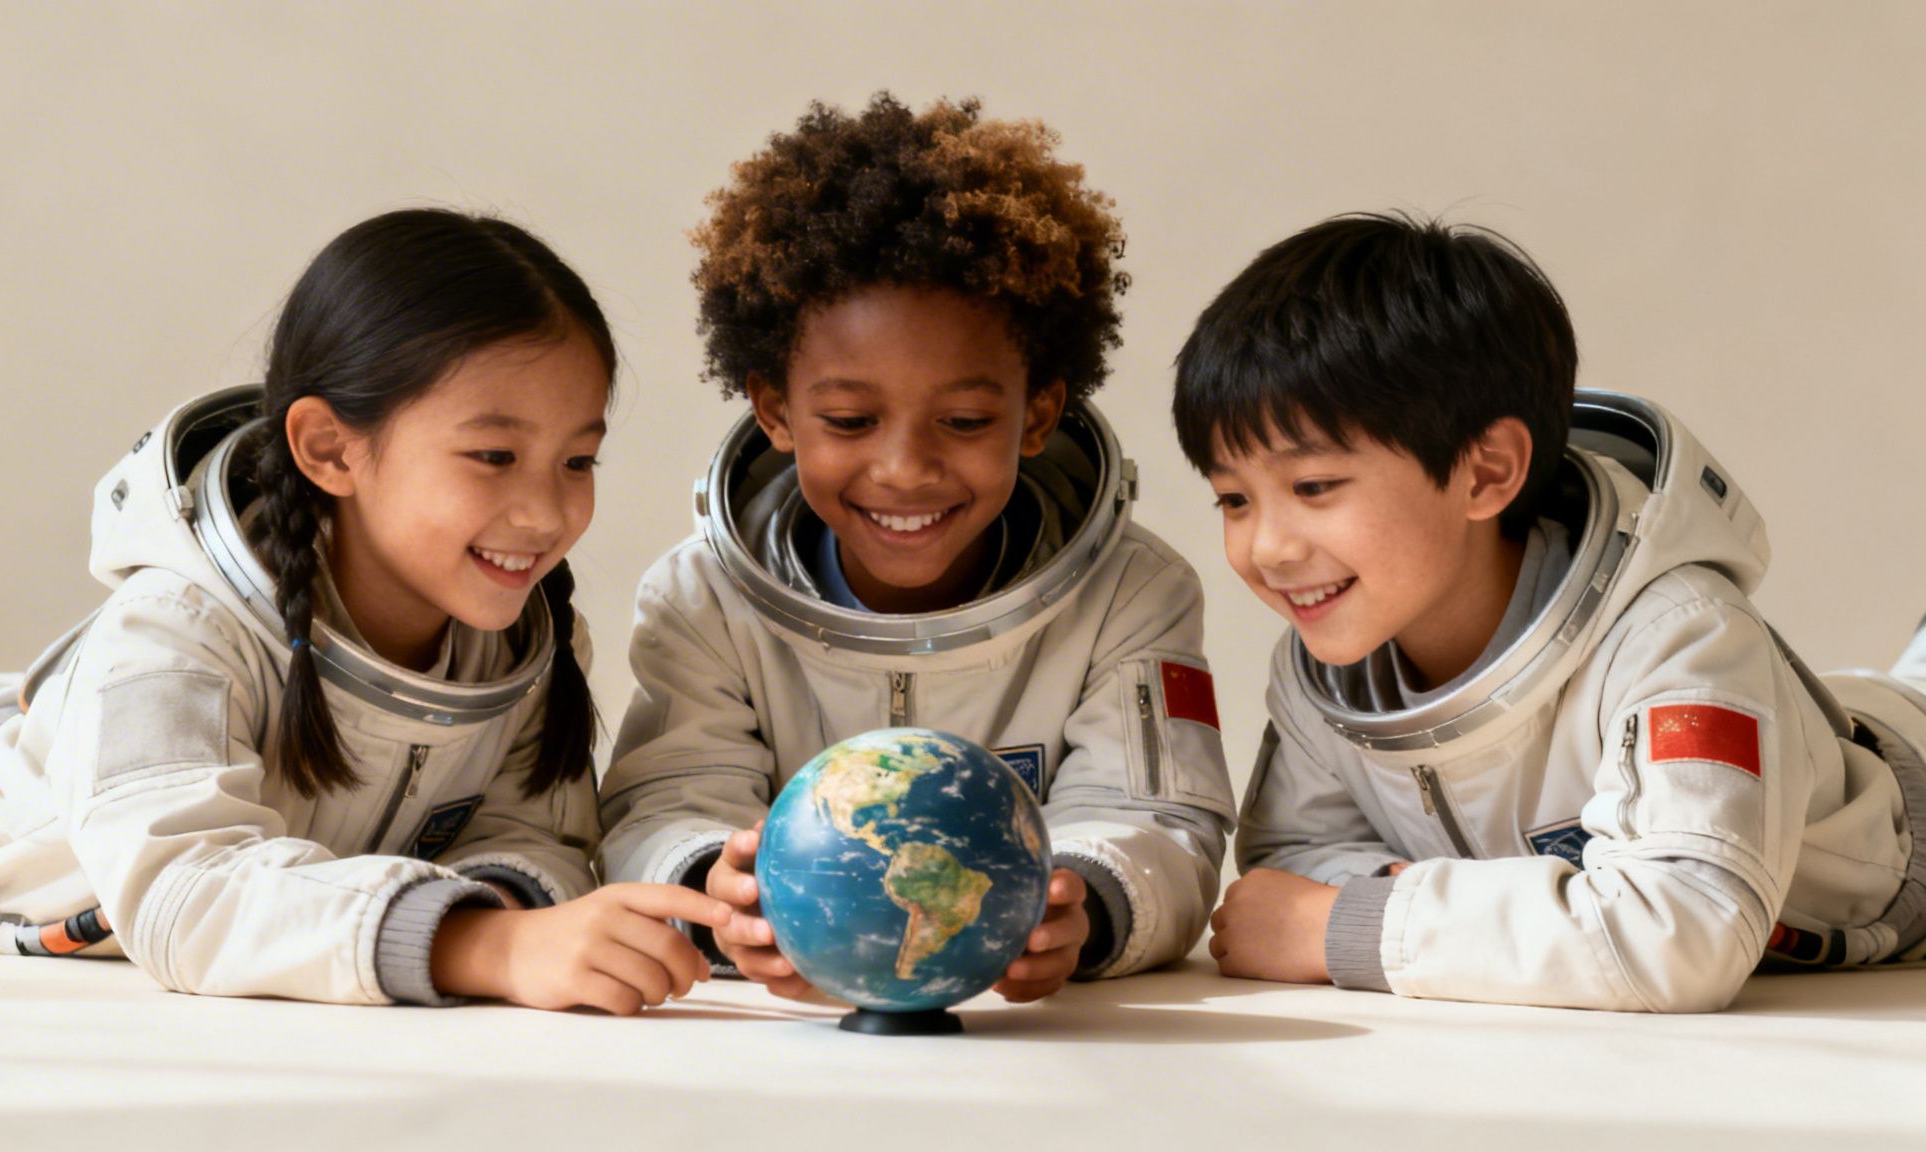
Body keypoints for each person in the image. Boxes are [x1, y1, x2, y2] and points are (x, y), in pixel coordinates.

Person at [0, 208, 728, 1012]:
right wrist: (484, 947)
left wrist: (505, 908)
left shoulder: (523, 646)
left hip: (26, 729)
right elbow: (189, 892)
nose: (546, 512)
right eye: (494, 455)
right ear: (329, 448)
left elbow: (530, 835)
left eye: (579, 461)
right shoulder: (176, 626)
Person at [1175, 211, 1926, 1012]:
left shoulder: (1680, 633)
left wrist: (1356, 925)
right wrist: (1459, 912)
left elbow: (1681, 932)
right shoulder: (1329, 674)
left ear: (1486, 471)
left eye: (1313, 488)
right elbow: (1292, 859)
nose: (1268, 548)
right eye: (1232, 498)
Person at [598, 93, 1234, 1002]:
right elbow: (664, 804)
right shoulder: (704, 601)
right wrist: (716, 890)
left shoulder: (1131, 592)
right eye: (851, 419)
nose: (904, 470)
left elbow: (1159, 817)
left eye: (966, 419)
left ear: (1039, 415)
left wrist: (1084, 907)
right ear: (775, 410)